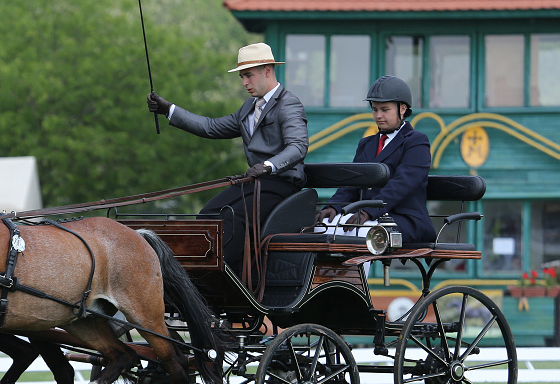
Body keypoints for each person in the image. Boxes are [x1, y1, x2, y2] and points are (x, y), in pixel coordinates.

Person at [147, 42, 308, 276]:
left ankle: (229, 278)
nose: (244, 83)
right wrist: (169, 109)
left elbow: (298, 146)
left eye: (248, 76)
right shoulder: (248, 108)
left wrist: (267, 166)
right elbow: (211, 127)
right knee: (208, 215)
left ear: (267, 70)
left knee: (232, 218)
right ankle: (201, 276)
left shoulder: (288, 104)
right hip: (256, 184)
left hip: (282, 184)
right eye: (242, 76)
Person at [314, 75, 435, 243]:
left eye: (385, 110)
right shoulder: (367, 144)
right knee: (322, 227)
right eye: (374, 109)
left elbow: (402, 184)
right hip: (370, 217)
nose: (378, 115)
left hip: (405, 220)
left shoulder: (417, 142)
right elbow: (352, 183)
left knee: (364, 234)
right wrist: (333, 206)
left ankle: (356, 270)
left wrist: (368, 211)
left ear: (402, 109)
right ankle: (337, 271)